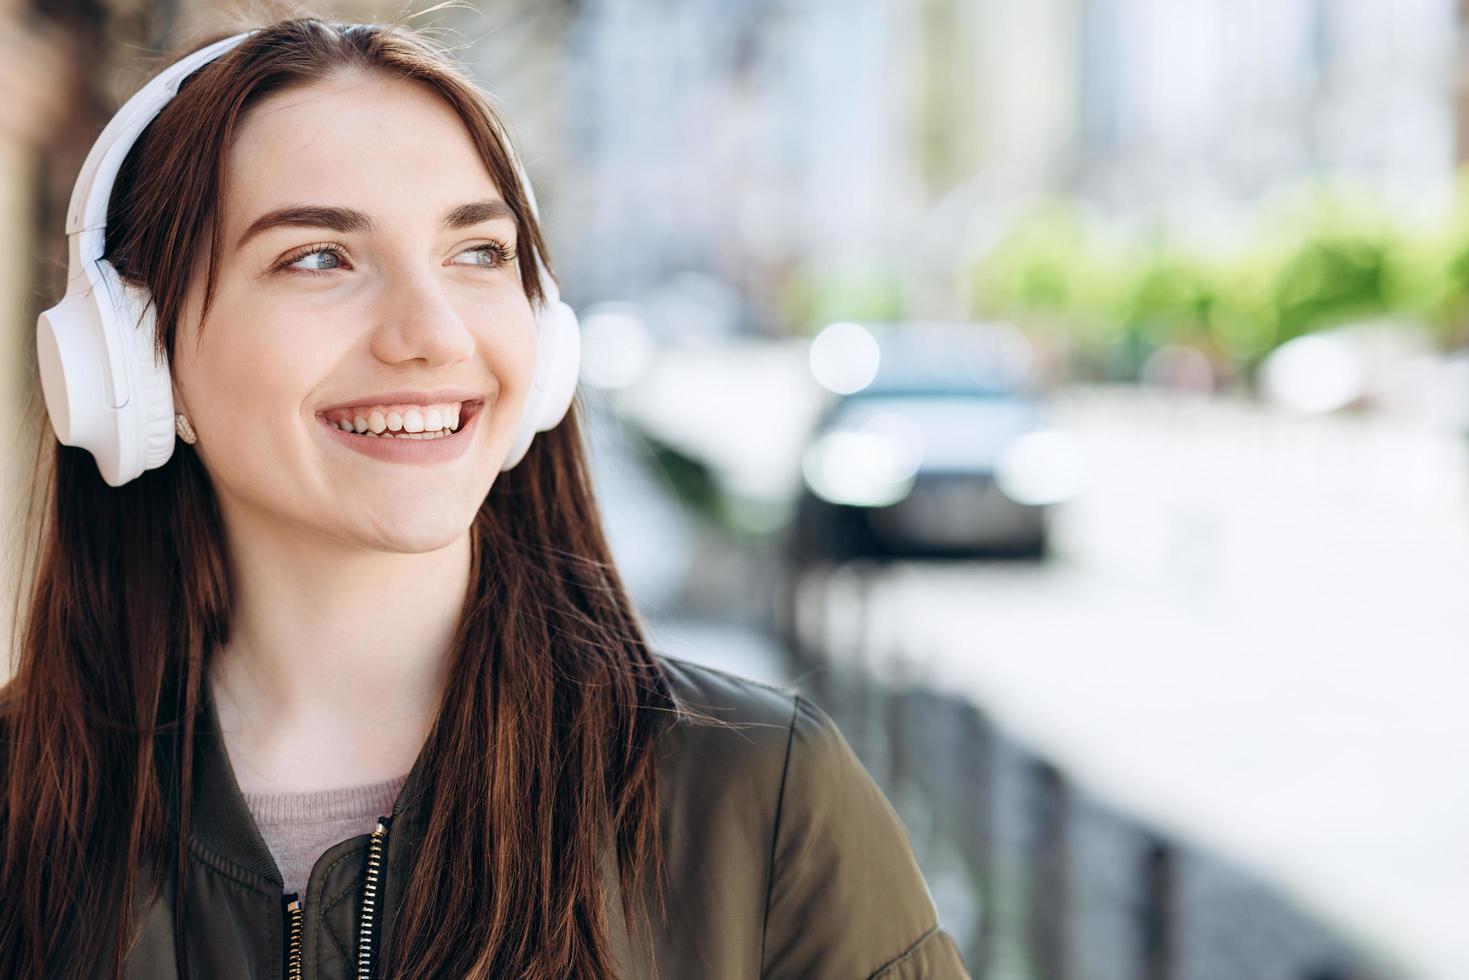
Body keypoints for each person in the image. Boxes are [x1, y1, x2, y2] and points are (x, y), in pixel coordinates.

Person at [0, 14, 970, 980]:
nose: (429, 332)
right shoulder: (18, 818)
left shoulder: (756, 801)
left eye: (476, 253)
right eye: (317, 257)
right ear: (132, 357)